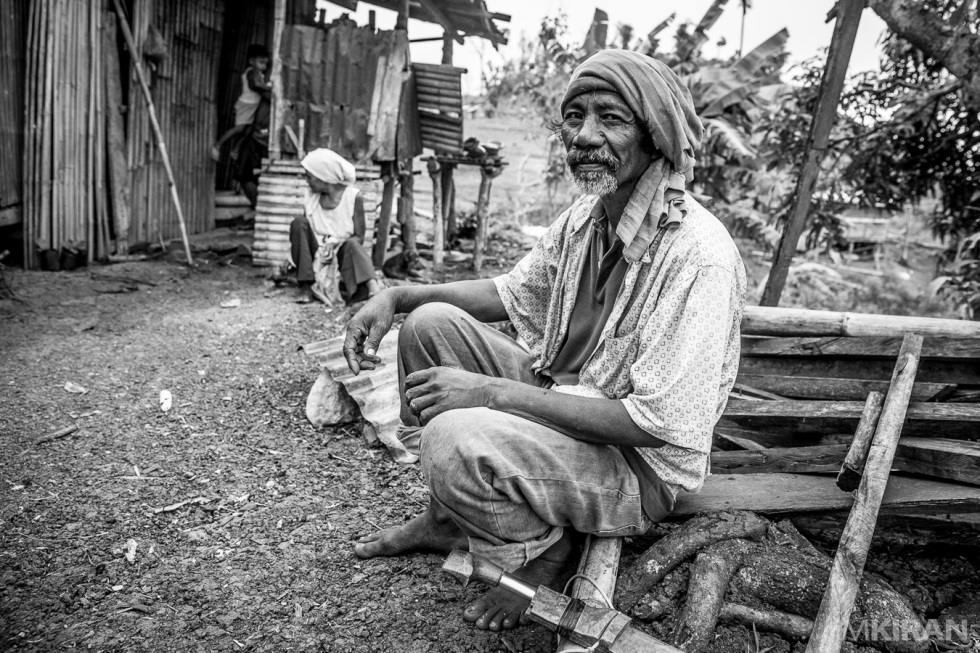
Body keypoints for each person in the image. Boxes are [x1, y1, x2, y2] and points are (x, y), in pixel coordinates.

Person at [343, 50, 746, 632]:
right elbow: (509, 293)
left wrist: (488, 394)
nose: (584, 135)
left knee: (454, 437)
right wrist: (400, 296)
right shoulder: (588, 217)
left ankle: (541, 557)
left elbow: (656, 424)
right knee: (430, 324)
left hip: (635, 465)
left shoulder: (697, 254)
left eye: (611, 118)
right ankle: (445, 518)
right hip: (567, 399)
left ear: (655, 135)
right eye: (575, 116)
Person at [290, 148, 381, 304]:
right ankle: (306, 285)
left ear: (323, 178)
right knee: (299, 223)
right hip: (317, 253)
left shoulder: (353, 197)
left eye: (309, 177)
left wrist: (334, 246)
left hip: (341, 252)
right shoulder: (310, 196)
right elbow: (304, 234)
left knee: (352, 244)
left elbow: (359, 237)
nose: (307, 181)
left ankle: (374, 290)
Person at [211, 44, 272, 162]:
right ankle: (218, 145)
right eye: (261, 63)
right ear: (251, 61)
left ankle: (235, 149)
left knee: (248, 129)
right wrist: (270, 87)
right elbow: (256, 85)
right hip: (246, 105)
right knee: (239, 128)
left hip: (251, 105)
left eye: (265, 64)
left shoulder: (258, 72)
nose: (264, 66)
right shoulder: (252, 72)